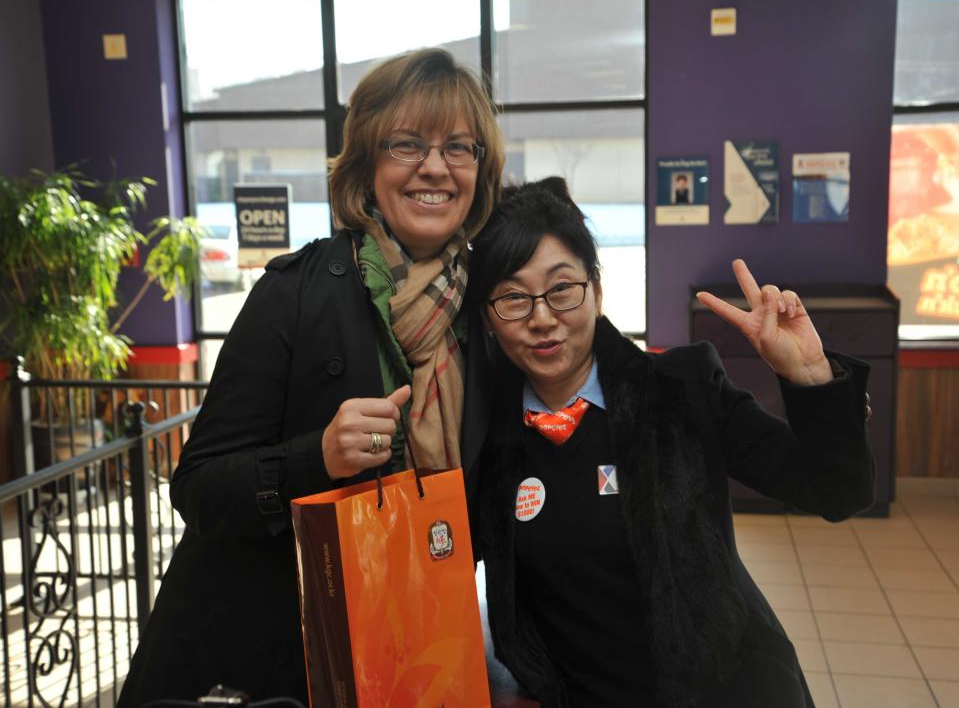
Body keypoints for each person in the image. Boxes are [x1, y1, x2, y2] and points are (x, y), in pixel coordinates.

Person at [118, 48, 504, 706]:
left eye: (457, 147)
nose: (434, 167)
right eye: (406, 144)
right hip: (271, 656)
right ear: (367, 165)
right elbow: (198, 486)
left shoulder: (489, 308)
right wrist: (315, 456)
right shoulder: (294, 293)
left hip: (410, 639)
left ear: (479, 169)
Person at [467, 177, 874, 708]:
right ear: (489, 317)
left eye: (562, 288)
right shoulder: (483, 435)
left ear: (596, 289)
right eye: (514, 298)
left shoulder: (679, 391)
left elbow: (838, 491)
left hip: (730, 693)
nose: (542, 318)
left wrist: (812, 376)